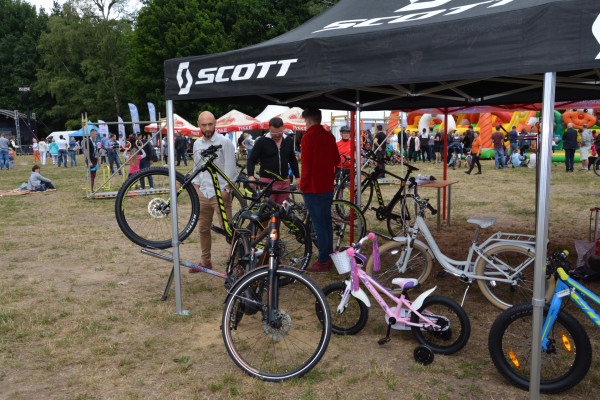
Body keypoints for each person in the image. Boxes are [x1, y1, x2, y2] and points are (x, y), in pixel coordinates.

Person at [191, 111, 238, 273]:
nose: (207, 128)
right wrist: (196, 187)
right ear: (198, 125)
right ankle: (205, 262)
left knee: (229, 230)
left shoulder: (225, 142)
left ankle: (238, 264)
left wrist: (227, 189)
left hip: (221, 193)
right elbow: (196, 167)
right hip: (202, 192)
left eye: (210, 124)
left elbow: (231, 168)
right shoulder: (197, 144)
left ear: (215, 123)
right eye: (204, 125)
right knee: (203, 229)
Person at [300, 107, 338, 273]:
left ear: (308, 120)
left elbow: (306, 164)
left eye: (304, 121)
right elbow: (336, 160)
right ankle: (328, 256)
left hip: (313, 187)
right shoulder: (329, 136)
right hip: (327, 185)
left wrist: (303, 184)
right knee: (326, 222)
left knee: (319, 225)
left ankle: (323, 260)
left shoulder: (308, 137)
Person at [247, 117, 300, 204]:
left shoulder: (288, 141)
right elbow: (251, 159)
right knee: (267, 209)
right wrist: (251, 176)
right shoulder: (261, 141)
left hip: (284, 181)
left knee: (282, 209)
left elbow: (292, 160)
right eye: (274, 133)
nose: (277, 135)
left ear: (283, 128)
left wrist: (297, 177)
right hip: (267, 182)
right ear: (269, 129)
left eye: (280, 132)